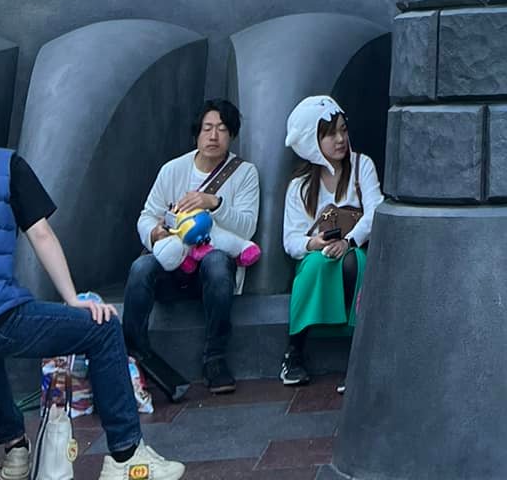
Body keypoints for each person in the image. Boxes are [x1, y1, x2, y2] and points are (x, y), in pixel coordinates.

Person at [0, 89, 184, 480]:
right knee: (101, 329)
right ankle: (127, 456)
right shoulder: (6, 164)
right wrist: (73, 298)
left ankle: (16, 450)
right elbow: (41, 234)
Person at [123, 98, 261, 394]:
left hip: (212, 271)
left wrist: (215, 203)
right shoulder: (172, 170)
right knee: (141, 267)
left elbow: (247, 227)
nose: (213, 136)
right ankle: (134, 353)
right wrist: (155, 233)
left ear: (232, 135)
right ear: (196, 133)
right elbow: (147, 215)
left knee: (217, 262)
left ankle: (215, 358)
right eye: (207, 128)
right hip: (174, 263)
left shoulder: (245, 172)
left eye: (221, 129)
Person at [279, 95, 382, 385]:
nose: (340, 140)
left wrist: (348, 241)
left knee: (353, 262)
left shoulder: (362, 166)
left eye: (343, 130)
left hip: (355, 248)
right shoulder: (299, 185)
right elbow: (291, 239)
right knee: (315, 265)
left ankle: (358, 358)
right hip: (318, 254)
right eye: (329, 134)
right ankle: (294, 352)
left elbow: (375, 210)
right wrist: (315, 243)